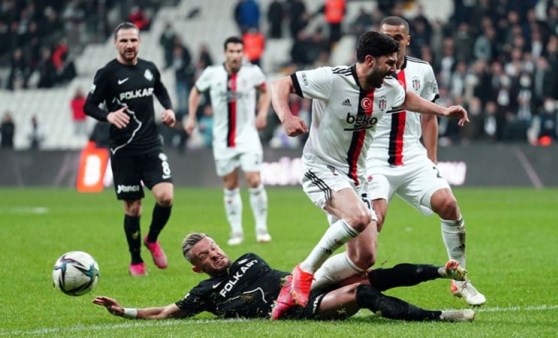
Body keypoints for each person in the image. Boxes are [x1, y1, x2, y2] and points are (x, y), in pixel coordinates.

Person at [269, 31, 469, 318]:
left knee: (364, 257)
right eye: (389, 63)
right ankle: (304, 272)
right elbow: (281, 83)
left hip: (357, 176)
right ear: (368, 60)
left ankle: (293, 290)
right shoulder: (331, 79)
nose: (394, 69)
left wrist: (443, 111)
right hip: (321, 168)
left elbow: (407, 98)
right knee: (360, 217)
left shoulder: (387, 86)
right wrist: (286, 117)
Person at [364, 16, 485, 305]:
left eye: (398, 37)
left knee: (449, 204)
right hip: (374, 158)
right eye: (387, 36)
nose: (392, 42)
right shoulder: (367, 71)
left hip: (412, 155)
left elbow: (428, 116)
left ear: (408, 40)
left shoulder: (422, 70)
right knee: (373, 222)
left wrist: (431, 159)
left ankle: (460, 280)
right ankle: (354, 284)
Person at [93, 232, 475, 322]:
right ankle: (439, 317)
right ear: (198, 267)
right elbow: (165, 313)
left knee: (371, 274)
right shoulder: (205, 292)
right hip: (300, 306)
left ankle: (444, 271)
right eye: (206, 256)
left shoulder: (247, 257)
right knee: (360, 294)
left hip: (303, 283)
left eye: (213, 247)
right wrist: (124, 311)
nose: (215, 254)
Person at [84, 22, 176, 277]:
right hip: (123, 150)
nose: (129, 45)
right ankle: (136, 259)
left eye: (133, 40)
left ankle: (152, 239)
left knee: (166, 197)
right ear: (116, 43)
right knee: (133, 208)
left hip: (151, 144)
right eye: (123, 41)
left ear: (139, 42)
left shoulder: (149, 68)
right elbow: (89, 106)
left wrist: (168, 109)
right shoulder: (107, 73)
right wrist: (108, 116)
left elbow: (161, 91)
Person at [185, 36, 271, 246]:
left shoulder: (252, 73)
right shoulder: (212, 74)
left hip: (248, 135)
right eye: (231, 51)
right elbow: (196, 91)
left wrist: (262, 114)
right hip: (222, 139)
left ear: (243, 53)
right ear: (225, 53)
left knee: (253, 179)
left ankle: (261, 228)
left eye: (238, 51)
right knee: (230, 184)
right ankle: (237, 232)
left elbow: (265, 90)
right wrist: (191, 116)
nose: (235, 55)